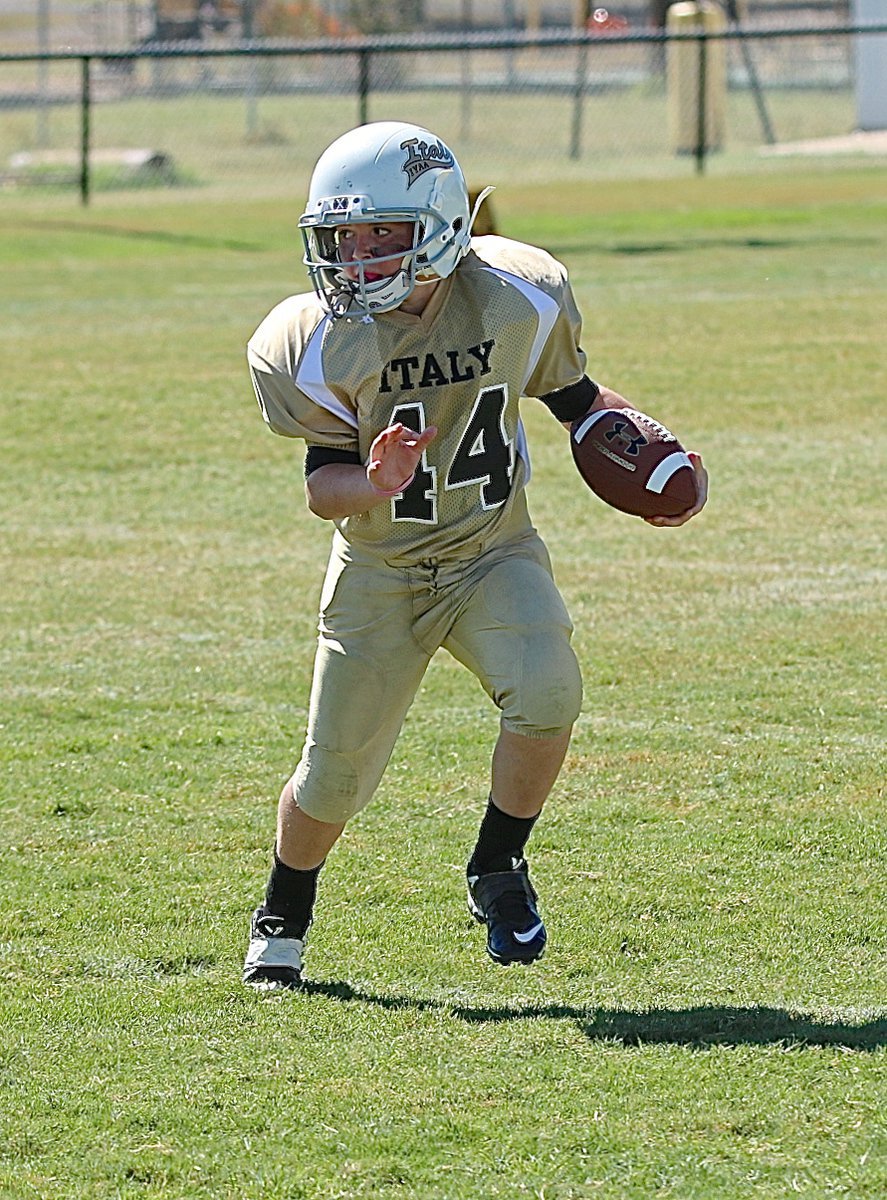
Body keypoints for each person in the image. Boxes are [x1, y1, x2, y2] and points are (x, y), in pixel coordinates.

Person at [243, 121, 707, 989]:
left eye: (382, 233)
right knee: (334, 774)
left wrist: (641, 450)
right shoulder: (310, 339)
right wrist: (374, 483)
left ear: (441, 225)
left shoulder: (516, 294)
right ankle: (283, 915)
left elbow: (573, 398)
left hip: (493, 548)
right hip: (380, 568)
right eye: (342, 237)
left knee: (547, 694)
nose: (357, 256)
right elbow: (322, 489)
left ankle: (497, 867)